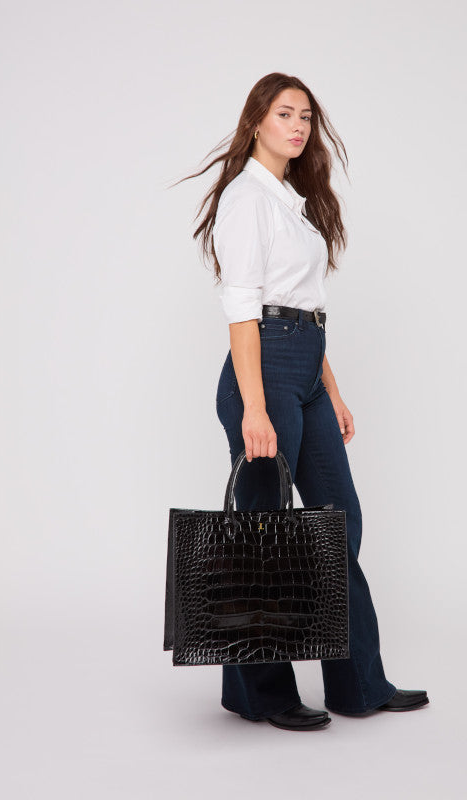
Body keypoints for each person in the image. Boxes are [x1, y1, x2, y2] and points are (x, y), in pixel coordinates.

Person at [183, 73, 429, 731]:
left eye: (306, 117)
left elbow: (302, 307)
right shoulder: (246, 200)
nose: (298, 126)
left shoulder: (291, 201)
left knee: (336, 522)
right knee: (263, 534)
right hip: (261, 372)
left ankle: (359, 686)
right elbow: (245, 312)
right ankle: (261, 694)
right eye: (285, 114)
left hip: (305, 368)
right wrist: (254, 407)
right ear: (256, 121)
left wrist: (332, 392)